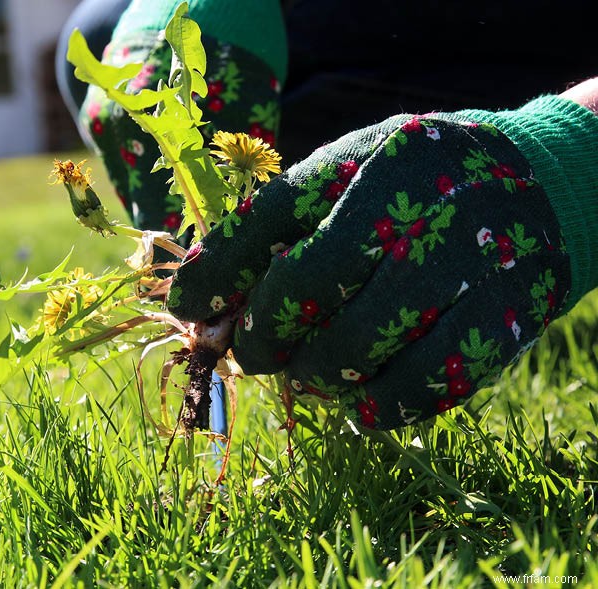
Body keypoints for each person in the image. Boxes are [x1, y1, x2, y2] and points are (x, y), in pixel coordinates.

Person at [57, 0, 598, 429]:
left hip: (551, 50)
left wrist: (573, 156)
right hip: (358, 51)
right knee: (104, 25)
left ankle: (460, 217)